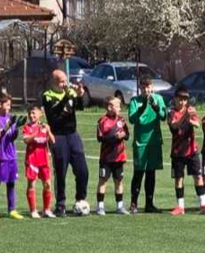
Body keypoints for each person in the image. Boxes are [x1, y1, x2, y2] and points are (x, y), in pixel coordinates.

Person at [42, 69, 89, 216]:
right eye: (62, 81)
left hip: (72, 135)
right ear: (54, 82)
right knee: (61, 171)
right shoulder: (47, 95)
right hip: (58, 136)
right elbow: (53, 114)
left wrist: (81, 94)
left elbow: (82, 106)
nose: (65, 84)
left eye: (65, 80)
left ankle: (80, 199)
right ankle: (60, 204)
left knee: (82, 171)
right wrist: (64, 98)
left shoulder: (70, 92)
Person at [127, 76, 167, 213]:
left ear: (152, 87)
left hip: (154, 141)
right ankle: (133, 203)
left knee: (151, 173)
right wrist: (143, 106)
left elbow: (163, 117)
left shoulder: (159, 99)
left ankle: (149, 203)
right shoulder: (134, 101)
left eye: (148, 87)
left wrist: (156, 108)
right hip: (140, 142)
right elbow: (132, 120)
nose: (146, 90)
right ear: (140, 88)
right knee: (138, 173)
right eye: (143, 87)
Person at [167, 88, 203, 216]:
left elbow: (198, 124)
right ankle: (180, 207)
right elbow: (174, 126)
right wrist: (185, 116)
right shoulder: (171, 112)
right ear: (175, 99)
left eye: (185, 99)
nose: (182, 102)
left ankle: (202, 204)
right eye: (180, 99)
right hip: (178, 152)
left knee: (198, 176)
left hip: (192, 150)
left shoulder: (190, 111)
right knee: (178, 179)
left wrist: (191, 120)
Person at [0, 93, 26, 220]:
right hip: (0, 156)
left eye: (10, 105)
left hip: (11, 155)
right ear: (0, 105)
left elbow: (12, 137)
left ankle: (12, 210)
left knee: (11, 184)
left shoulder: (10, 117)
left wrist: (17, 128)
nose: (9, 108)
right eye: (7, 105)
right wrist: (7, 126)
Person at [95, 96, 128, 215]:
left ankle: (120, 206)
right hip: (106, 158)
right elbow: (101, 138)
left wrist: (123, 134)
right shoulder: (102, 121)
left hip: (119, 157)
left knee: (119, 181)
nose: (120, 108)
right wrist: (115, 137)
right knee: (103, 180)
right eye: (117, 105)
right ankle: (100, 206)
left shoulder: (122, 120)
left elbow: (127, 134)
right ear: (109, 107)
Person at [22, 103, 55, 218]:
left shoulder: (45, 126)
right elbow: (26, 141)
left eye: (33, 113)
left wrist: (48, 131)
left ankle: (46, 210)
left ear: (40, 114)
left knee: (47, 184)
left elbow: (53, 141)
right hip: (32, 160)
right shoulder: (27, 127)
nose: (31, 115)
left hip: (44, 160)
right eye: (30, 113)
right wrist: (36, 132)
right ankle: (33, 210)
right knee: (32, 185)